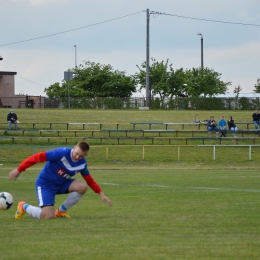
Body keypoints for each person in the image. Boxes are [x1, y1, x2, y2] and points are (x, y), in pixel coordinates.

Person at [8, 141, 112, 219]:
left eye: (81, 156)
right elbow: (38, 157)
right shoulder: (61, 153)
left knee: (83, 186)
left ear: (85, 155)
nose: (77, 157)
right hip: (45, 185)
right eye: (76, 153)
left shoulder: (82, 163)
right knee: (47, 216)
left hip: (61, 184)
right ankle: (23, 206)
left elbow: (89, 179)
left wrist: (101, 193)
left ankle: (61, 211)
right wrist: (20, 169)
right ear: (74, 147)